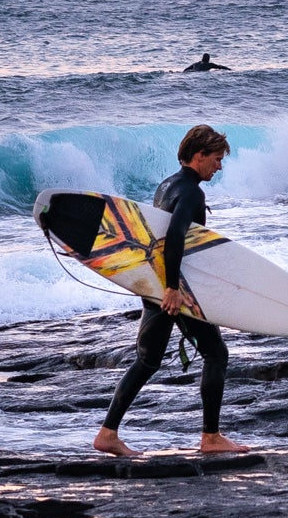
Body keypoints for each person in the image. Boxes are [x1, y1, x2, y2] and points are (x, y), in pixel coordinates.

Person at [94, 125, 246, 458]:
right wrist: (174, 289)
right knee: (216, 354)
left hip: (155, 284)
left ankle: (107, 433)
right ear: (199, 155)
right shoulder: (192, 193)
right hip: (173, 290)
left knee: (147, 361)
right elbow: (174, 238)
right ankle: (211, 437)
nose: (219, 167)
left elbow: (155, 238)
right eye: (216, 159)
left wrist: (161, 286)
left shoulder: (167, 185)